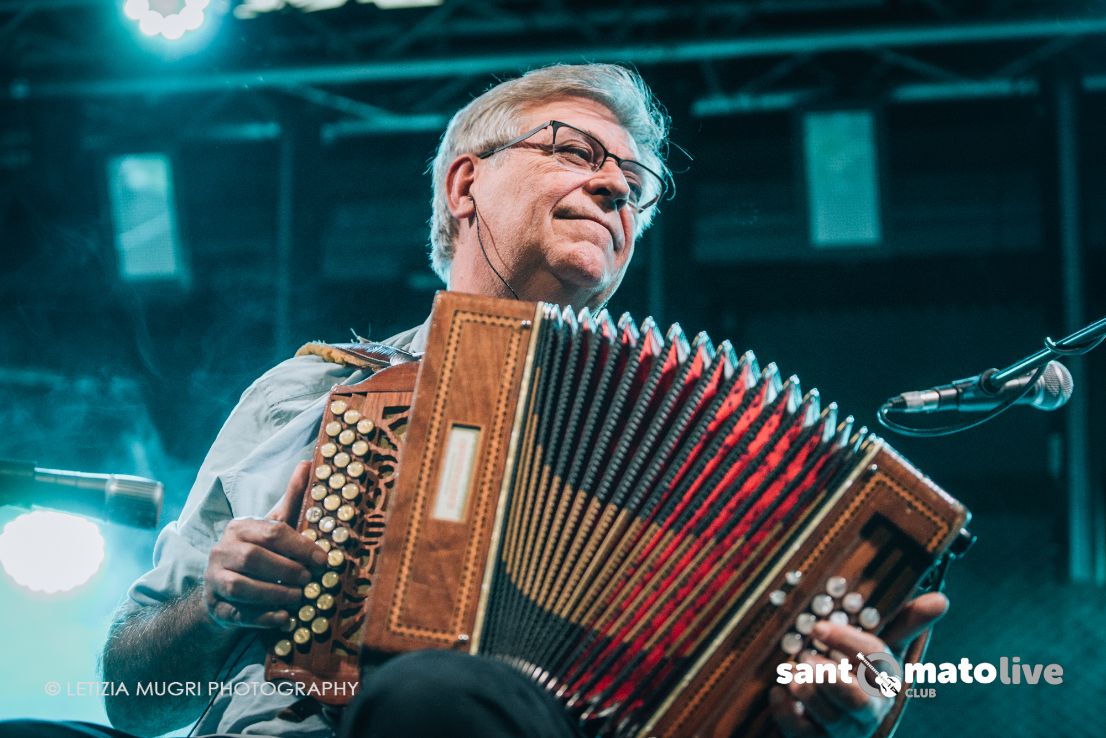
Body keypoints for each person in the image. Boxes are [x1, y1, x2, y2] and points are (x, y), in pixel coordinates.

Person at [1, 63, 948, 738]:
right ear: (465, 185)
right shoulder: (313, 389)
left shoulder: (715, 447)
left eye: (636, 184)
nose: (615, 185)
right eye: (577, 150)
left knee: (431, 697)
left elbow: (747, 701)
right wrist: (212, 603)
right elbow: (133, 696)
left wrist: (830, 709)